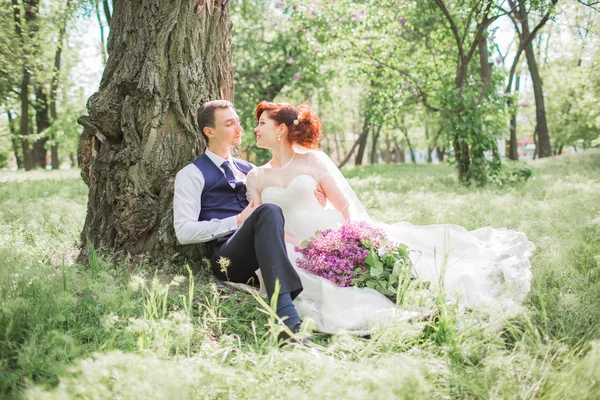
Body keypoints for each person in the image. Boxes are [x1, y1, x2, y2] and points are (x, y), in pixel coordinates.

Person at [246, 101, 535, 334]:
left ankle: (430, 299)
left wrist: (351, 236)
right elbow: (260, 224)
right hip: (289, 246)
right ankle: (405, 315)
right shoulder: (256, 176)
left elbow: (344, 205)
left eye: (262, 123)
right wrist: (298, 244)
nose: (255, 129)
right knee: (328, 288)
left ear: (281, 129)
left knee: (381, 269)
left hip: (330, 235)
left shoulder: (312, 161)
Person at [173, 100, 308, 341]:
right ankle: (287, 320)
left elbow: (280, 195)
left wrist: (309, 193)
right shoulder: (191, 174)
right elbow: (183, 232)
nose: (239, 128)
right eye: (229, 123)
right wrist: (237, 221)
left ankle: (287, 320)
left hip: (262, 247)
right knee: (267, 211)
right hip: (226, 257)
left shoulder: (250, 169)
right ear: (209, 132)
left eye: (238, 121)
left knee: (270, 210)